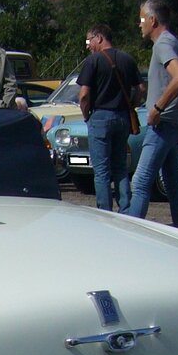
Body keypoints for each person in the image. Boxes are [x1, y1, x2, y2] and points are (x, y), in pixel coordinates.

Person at [127, 0, 178, 231]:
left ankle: (130, 235)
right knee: (174, 184)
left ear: (153, 20)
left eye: (142, 19)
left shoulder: (163, 44)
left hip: (163, 123)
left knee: (141, 181)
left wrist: (158, 107)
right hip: (174, 122)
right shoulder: (174, 42)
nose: (140, 24)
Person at [76, 24, 143, 213]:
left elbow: (83, 95)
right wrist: (131, 105)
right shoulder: (127, 59)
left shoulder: (93, 61)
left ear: (99, 37)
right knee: (120, 166)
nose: (88, 45)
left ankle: (104, 212)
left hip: (100, 116)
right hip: (122, 116)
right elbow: (140, 89)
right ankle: (126, 209)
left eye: (89, 40)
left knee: (102, 170)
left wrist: (86, 114)